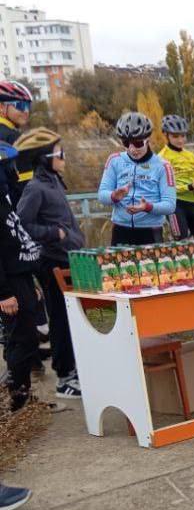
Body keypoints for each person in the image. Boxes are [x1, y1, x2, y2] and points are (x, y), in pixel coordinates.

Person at [15, 127, 82, 399]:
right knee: (60, 319)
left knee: (74, 317)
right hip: (51, 262)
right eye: (60, 153)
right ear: (45, 158)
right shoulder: (36, 188)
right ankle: (64, 377)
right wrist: (53, 234)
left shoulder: (54, 181)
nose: (64, 158)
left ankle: (75, 369)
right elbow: (21, 224)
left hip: (69, 259)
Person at [0, 141, 44, 412]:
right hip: (8, 285)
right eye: (9, 167)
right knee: (20, 339)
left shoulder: (4, 198)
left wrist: (32, 281)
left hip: (22, 276)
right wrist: (3, 293)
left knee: (28, 338)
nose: (14, 173)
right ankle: (17, 400)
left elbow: (16, 239)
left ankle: (24, 394)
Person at [97, 112, 176, 246]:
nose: (132, 149)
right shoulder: (114, 160)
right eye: (126, 143)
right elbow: (102, 194)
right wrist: (114, 196)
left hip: (150, 231)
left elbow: (170, 205)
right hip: (120, 230)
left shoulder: (163, 166)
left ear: (147, 140)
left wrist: (147, 207)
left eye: (138, 143)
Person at [158, 115, 194, 238]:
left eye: (183, 136)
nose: (180, 140)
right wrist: (188, 187)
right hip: (175, 206)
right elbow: (164, 187)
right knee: (182, 245)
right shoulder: (161, 158)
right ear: (166, 135)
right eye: (175, 136)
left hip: (193, 203)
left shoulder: (190, 155)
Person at [0, 80, 34, 194]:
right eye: (20, 105)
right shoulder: (15, 138)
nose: (26, 111)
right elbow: (27, 186)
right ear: (1, 107)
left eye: (28, 105)